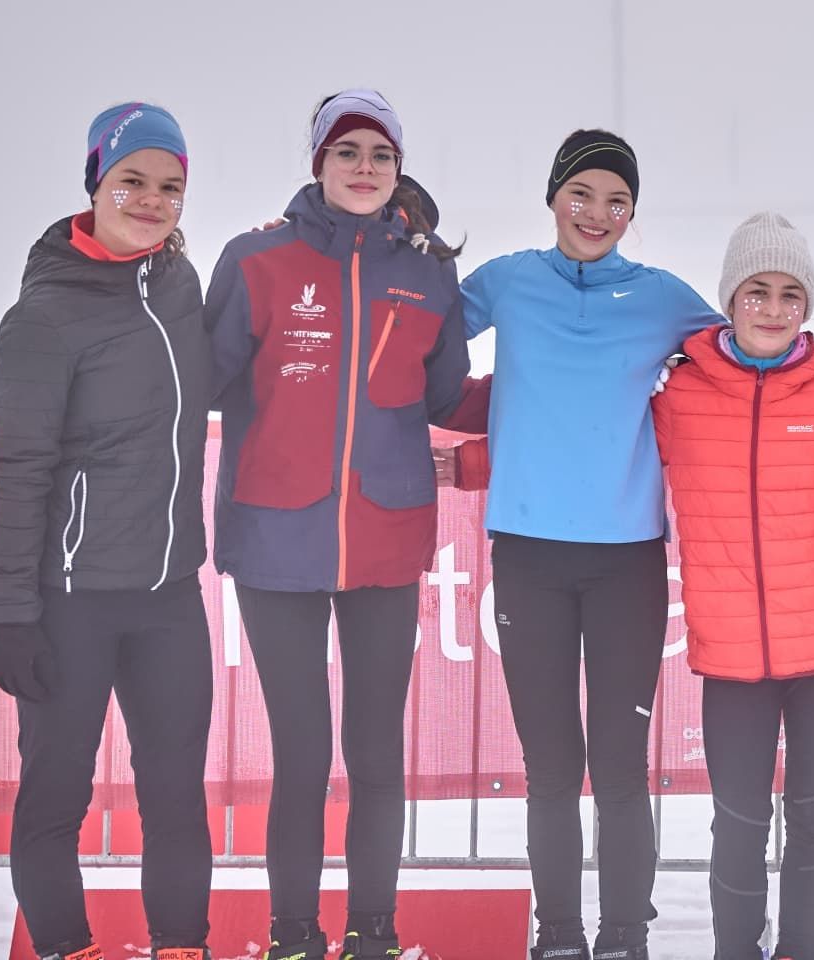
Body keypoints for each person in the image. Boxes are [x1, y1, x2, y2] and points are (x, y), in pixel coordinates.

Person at [203, 88, 469, 960]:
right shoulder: (255, 261)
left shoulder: (426, 271)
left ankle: (374, 934)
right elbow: (197, 377)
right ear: (318, 161)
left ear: (399, 169)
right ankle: (291, 938)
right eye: (348, 152)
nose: (365, 169)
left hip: (386, 538)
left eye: (381, 156)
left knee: (376, 753)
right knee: (304, 753)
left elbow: (442, 392)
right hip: (275, 538)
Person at [458, 129, 718, 960]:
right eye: (582, 195)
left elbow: (751, 353)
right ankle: (560, 934)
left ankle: (623, 937)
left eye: (617, 202)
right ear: (553, 198)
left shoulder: (662, 297)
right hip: (528, 556)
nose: (597, 214)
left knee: (618, 766)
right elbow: (414, 348)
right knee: (550, 768)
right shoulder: (506, 282)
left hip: (625, 563)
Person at [0, 102, 212, 960]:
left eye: (170, 187)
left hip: (168, 599)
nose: (151, 201)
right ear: (96, 184)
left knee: (176, 799)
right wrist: (14, 614)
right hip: (69, 603)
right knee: (54, 802)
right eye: (133, 182)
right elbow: (18, 473)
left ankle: (182, 947)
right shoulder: (44, 316)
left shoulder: (178, 283)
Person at [650, 212, 814, 960]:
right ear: (729, 298)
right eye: (756, 292)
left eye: (789, 296)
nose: (773, 310)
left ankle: (801, 950)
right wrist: (473, 465)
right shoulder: (680, 393)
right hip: (732, 652)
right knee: (738, 817)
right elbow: (595, 447)